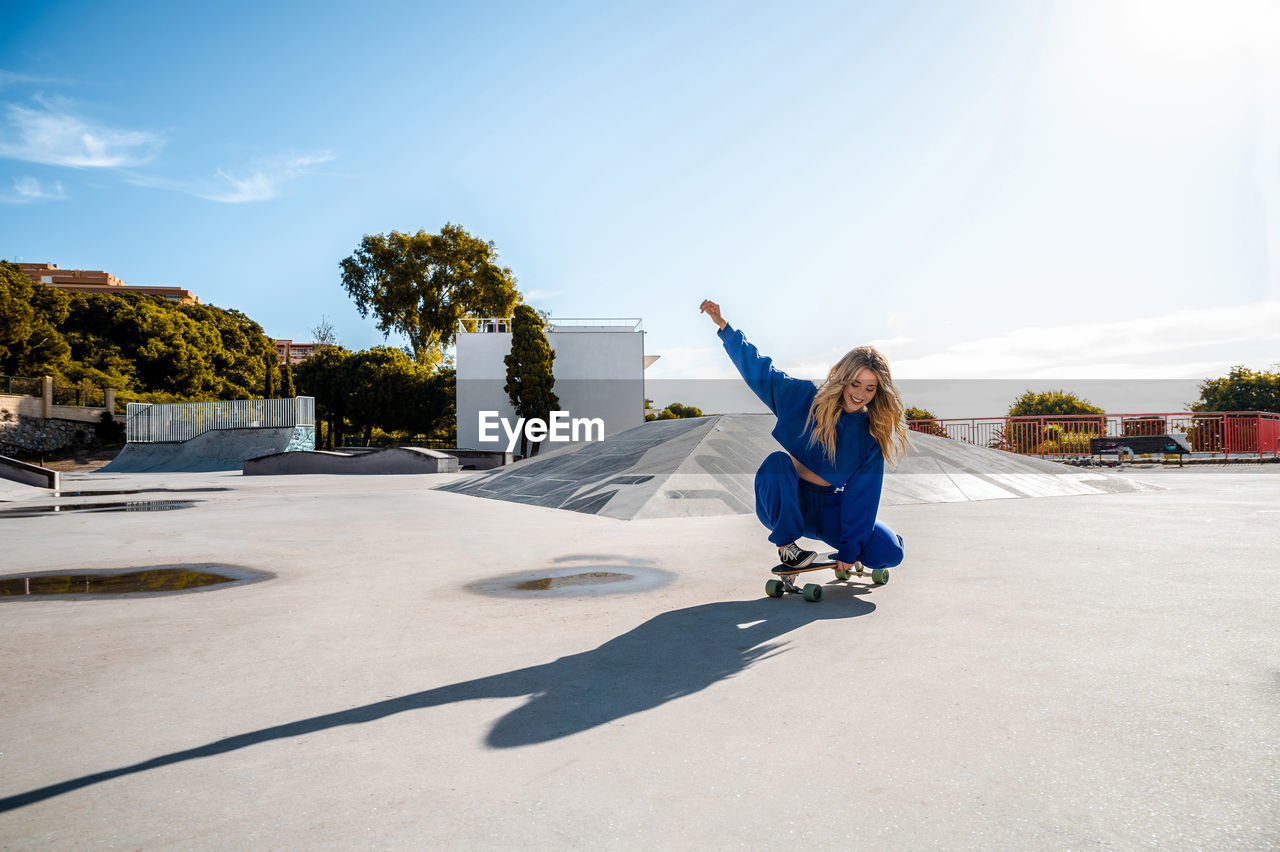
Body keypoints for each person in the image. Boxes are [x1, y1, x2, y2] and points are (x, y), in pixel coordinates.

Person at [699, 299, 907, 574]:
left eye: (870, 388)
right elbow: (761, 372)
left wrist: (849, 548)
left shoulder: (869, 436)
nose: (860, 394)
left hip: (832, 509)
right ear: (843, 378)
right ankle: (787, 547)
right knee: (776, 464)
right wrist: (725, 328)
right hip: (790, 503)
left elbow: (863, 496)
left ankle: (855, 544)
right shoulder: (804, 399)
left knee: (890, 553)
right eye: (855, 384)